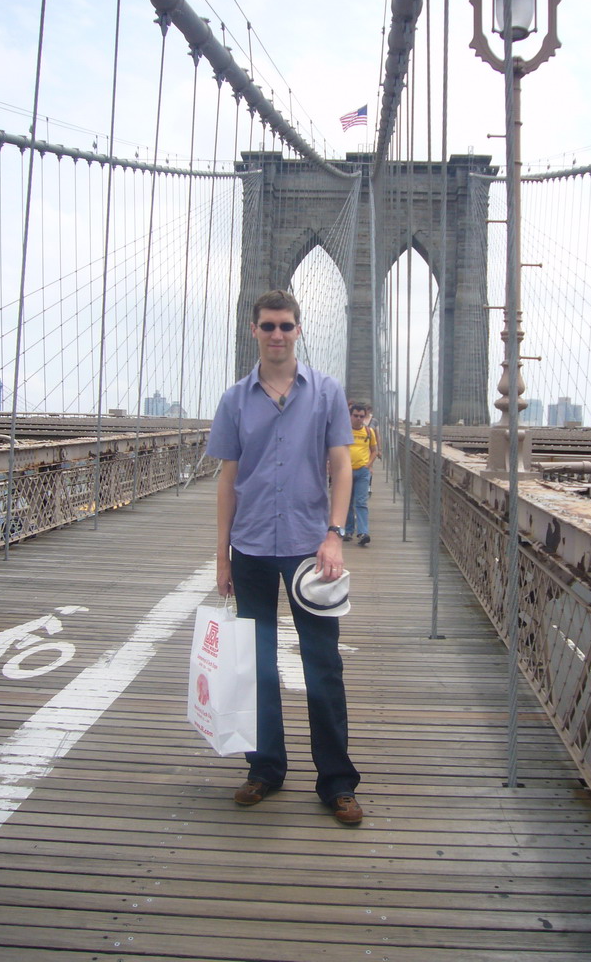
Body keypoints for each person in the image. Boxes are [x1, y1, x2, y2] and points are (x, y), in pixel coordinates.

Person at [206, 289, 362, 825]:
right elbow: (228, 480)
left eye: (286, 326)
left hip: (307, 549)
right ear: (254, 330)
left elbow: (342, 467)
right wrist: (222, 558)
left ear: (298, 331)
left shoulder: (325, 392)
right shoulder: (234, 399)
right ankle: (264, 769)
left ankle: (337, 782)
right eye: (268, 326)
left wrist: (335, 534)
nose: (277, 335)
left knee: (324, 667)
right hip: (249, 547)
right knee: (257, 666)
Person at [344, 402, 378, 546]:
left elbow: (374, 450)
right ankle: (348, 530)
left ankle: (363, 532)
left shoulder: (369, 432)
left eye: (361, 416)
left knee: (361, 502)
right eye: (355, 416)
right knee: (347, 502)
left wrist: (368, 465)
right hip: (345, 471)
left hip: (362, 471)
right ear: (350, 416)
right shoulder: (343, 430)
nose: (358, 419)